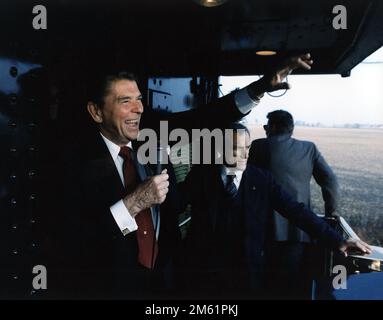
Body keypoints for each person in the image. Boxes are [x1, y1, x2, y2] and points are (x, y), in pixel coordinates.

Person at [41, 54, 316, 299]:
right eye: (126, 101)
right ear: (96, 112)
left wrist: (261, 87)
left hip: (164, 281)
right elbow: (72, 242)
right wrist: (133, 203)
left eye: (139, 99)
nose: (139, 109)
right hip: (111, 286)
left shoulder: (147, 137)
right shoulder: (71, 163)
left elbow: (204, 118)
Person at [180, 123, 370, 299]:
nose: (246, 155)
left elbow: (296, 211)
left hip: (246, 276)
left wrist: (337, 240)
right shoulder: (200, 176)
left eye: (248, 148)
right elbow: (174, 205)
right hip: (204, 274)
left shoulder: (261, 179)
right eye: (238, 149)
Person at [248, 110, 339, 299]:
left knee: (263, 287)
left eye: (266, 127)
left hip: (264, 231)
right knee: (293, 287)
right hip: (300, 231)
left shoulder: (258, 147)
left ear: (272, 127)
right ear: (291, 128)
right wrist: (331, 212)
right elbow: (330, 181)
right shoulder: (309, 149)